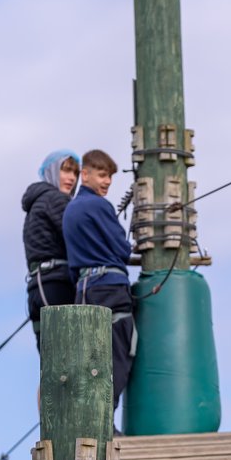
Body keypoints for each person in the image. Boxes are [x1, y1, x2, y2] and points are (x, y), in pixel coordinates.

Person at [62, 149, 135, 410]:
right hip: (110, 288)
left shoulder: (71, 210)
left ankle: (89, 417)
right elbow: (123, 250)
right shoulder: (99, 206)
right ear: (86, 174)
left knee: (90, 359)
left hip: (83, 289)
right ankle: (106, 418)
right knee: (119, 355)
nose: (106, 182)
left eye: (110, 178)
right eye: (102, 175)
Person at [22, 150, 80, 352]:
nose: (71, 178)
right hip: (57, 284)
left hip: (37, 288)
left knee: (51, 362)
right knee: (70, 356)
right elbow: (77, 237)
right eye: (65, 170)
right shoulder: (56, 200)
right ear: (52, 172)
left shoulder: (36, 203)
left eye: (75, 173)